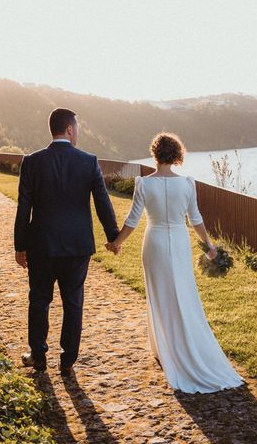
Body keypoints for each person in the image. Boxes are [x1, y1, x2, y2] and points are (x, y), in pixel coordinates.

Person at [107, 132, 244, 393]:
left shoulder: (144, 184)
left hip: (155, 241)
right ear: (177, 154)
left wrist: (117, 242)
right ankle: (180, 346)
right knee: (183, 291)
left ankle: (166, 348)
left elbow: (132, 221)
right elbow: (196, 219)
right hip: (179, 241)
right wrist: (209, 245)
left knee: (159, 294)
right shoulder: (188, 184)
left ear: (155, 154)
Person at [14, 108, 120, 376]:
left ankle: (38, 355)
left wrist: (20, 246)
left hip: (41, 245)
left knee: (39, 300)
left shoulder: (32, 161)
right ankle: (68, 359)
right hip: (77, 247)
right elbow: (102, 202)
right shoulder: (88, 161)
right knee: (73, 302)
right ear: (70, 129)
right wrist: (113, 237)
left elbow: (23, 207)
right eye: (78, 128)